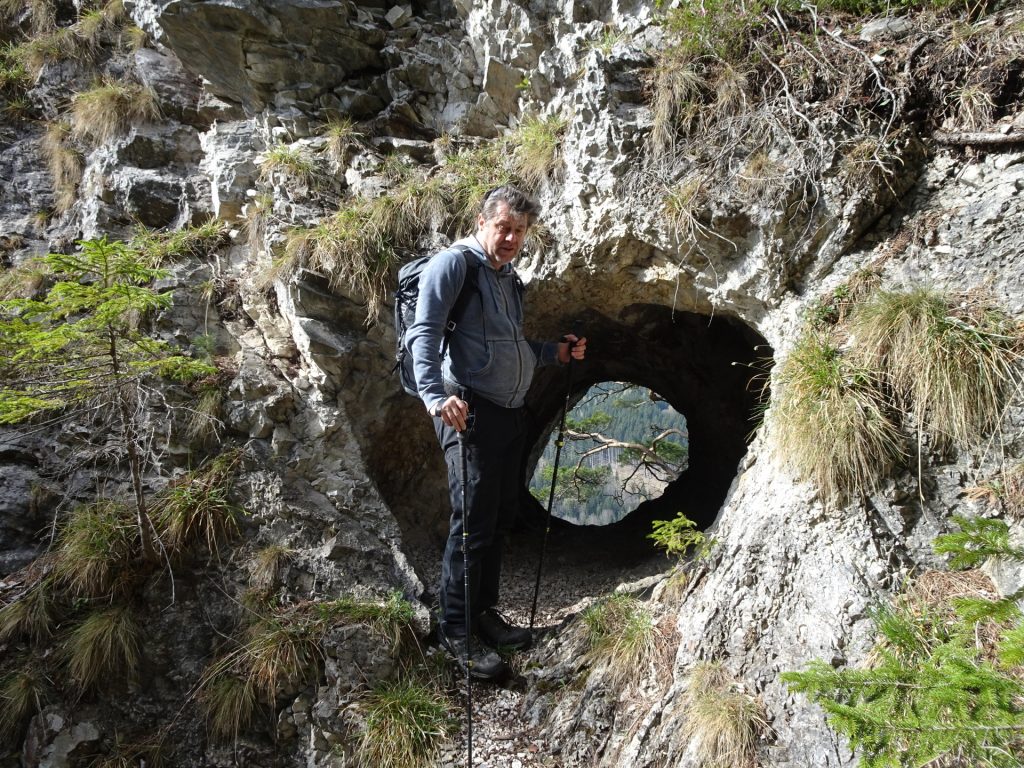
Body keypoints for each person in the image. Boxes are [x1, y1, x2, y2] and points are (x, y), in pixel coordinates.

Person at [406, 185, 586, 680]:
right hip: (469, 413)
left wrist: (554, 354)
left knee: (500, 515)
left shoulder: (509, 279)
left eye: (519, 231)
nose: (510, 237)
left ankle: (483, 613)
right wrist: (435, 396)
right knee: (473, 522)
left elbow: (509, 343)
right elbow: (424, 331)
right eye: (503, 226)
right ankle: (456, 629)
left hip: (509, 413)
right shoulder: (454, 266)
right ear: (482, 222)